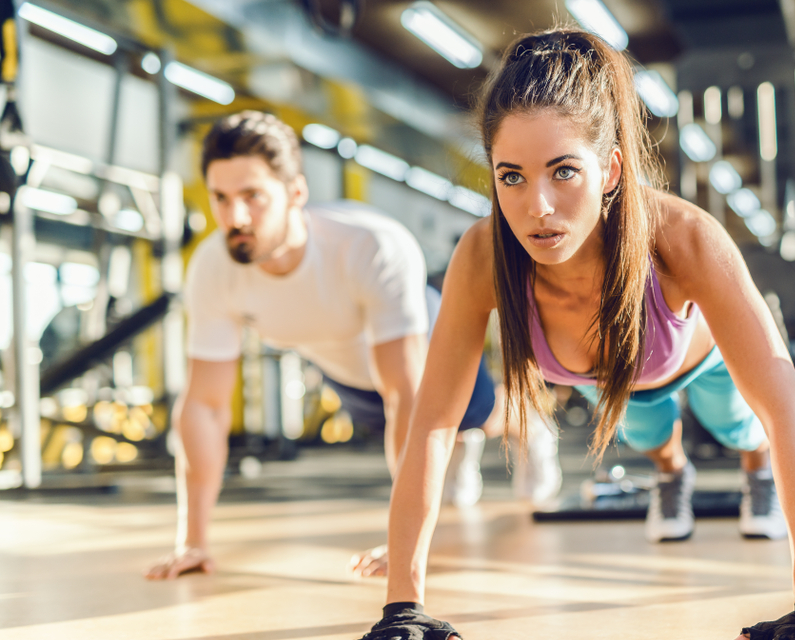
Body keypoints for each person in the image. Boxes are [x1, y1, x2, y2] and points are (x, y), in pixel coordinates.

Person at [333, 30, 795, 640]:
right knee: (654, 442)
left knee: (744, 432)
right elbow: (433, 426)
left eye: (564, 171)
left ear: (608, 168)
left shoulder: (683, 237)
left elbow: (790, 417)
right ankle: (672, 474)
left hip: (697, 362)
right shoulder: (483, 255)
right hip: (618, 385)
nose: (539, 207)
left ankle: (749, 480)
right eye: (512, 177)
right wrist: (401, 606)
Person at [144, 111, 557, 581]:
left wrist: (405, 546)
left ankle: (531, 424)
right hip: (346, 370)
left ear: (296, 194)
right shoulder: (214, 266)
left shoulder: (369, 246)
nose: (235, 217)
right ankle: (460, 445)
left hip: (426, 345)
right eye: (221, 198)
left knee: (475, 414)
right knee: (391, 419)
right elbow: (205, 406)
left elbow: (406, 393)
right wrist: (192, 541)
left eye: (253, 196)